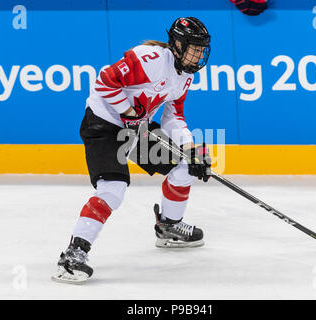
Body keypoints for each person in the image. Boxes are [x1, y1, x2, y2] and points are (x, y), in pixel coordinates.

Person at [52, 17, 212, 284]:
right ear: (177, 45)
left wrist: (190, 149)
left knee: (184, 165)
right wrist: (128, 112)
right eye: (194, 47)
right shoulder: (150, 59)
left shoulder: (185, 77)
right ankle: (73, 255)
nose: (198, 54)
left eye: (201, 48)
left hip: (136, 128)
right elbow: (105, 81)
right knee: (113, 189)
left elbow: (175, 118)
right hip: (104, 124)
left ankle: (169, 226)